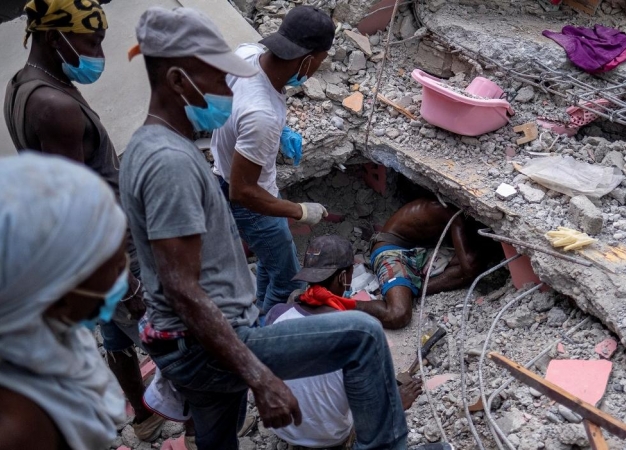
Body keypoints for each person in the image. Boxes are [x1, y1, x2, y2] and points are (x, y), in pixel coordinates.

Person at [121, 7, 435, 450]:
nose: (228, 94)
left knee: (217, 432)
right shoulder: (171, 163)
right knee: (362, 337)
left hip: (191, 341)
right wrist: (258, 374)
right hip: (207, 345)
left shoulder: (150, 146)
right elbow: (181, 287)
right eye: (217, 81)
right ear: (177, 81)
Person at [3, 0, 164, 441]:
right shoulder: (54, 106)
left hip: (97, 257)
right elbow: (78, 210)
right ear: (54, 37)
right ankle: (194, 427)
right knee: (170, 346)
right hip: (110, 253)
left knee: (115, 338)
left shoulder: (23, 84)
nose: (99, 52)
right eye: (90, 40)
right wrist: (125, 281)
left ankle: (146, 418)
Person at [210, 5, 334, 320]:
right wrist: (300, 211)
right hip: (248, 201)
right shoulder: (262, 115)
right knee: (287, 278)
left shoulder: (248, 55)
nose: (317, 68)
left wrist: (279, 132)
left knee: (271, 259)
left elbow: (242, 113)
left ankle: (258, 305)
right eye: (320, 61)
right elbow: (243, 192)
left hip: (227, 171)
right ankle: (266, 332)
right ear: (307, 59)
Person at [0, 153, 129, 450]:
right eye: (113, 266)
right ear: (58, 298)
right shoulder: (23, 430)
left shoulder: (53, 331)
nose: (124, 273)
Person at [265, 235, 425, 449]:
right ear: (344, 277)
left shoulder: (276, 315)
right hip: (330, 437)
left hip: (284, 429)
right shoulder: (356, 335)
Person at [358, 199, 492, 329]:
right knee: (398, 314)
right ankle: (347, 306)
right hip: (391, 251)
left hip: (419, 252)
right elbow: (468, 266)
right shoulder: (452, 215)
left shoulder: (455, 216)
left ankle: (408, 290)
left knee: (476, 264)